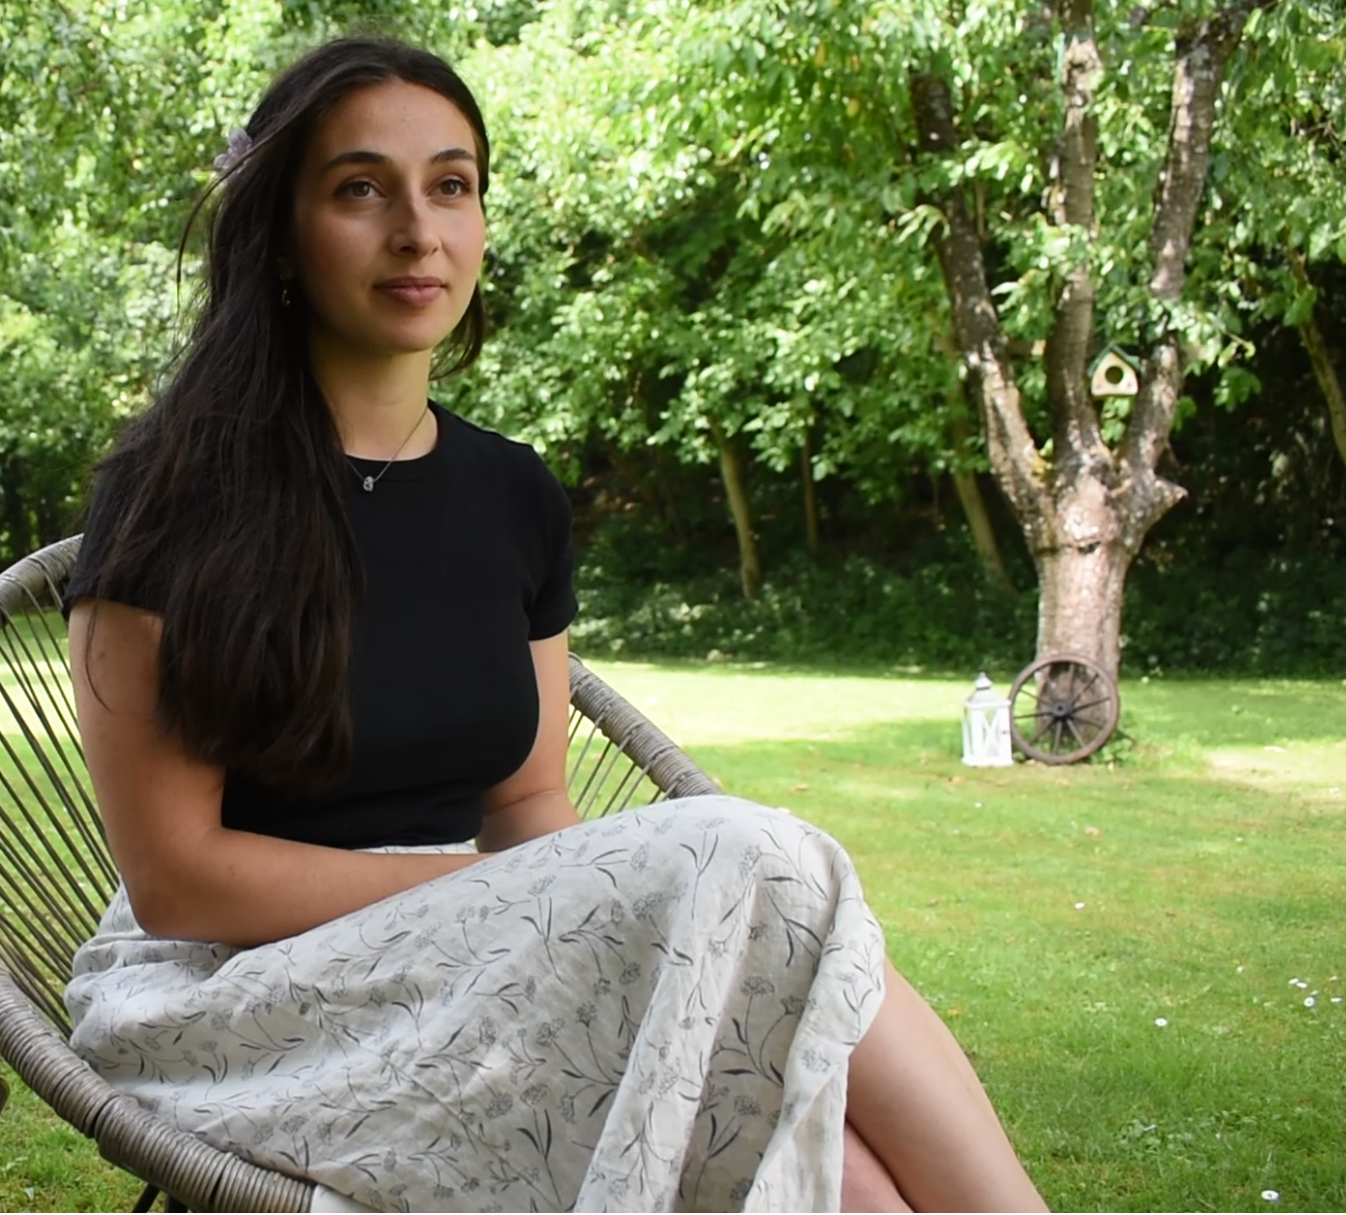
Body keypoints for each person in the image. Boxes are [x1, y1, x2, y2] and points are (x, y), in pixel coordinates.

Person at [60, 36, 1047, 1214]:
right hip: (240, 1000)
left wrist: (546, 903)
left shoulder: (513, 495)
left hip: (481, 961)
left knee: (847, 1170)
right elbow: (177, 879)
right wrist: (496, 894)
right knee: (745, 855)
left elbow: (529, 806)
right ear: (280, 232)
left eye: (452, 185)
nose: (418, 231)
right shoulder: (172, 495)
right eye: (362, 189)